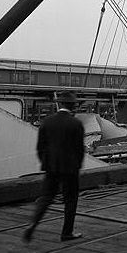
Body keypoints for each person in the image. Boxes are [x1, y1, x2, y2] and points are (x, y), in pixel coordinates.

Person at [23, 91, 86, 243]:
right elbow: (79, 149)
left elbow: (40, 147)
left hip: (51, 166)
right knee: (70, 200)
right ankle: (67, 232)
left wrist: (46, 162)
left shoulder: (47, 121)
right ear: (72, 106)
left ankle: (32, 224)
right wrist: (77, 165)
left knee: (46, 197)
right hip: (70, 168)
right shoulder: (76, 124)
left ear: (60, 104)